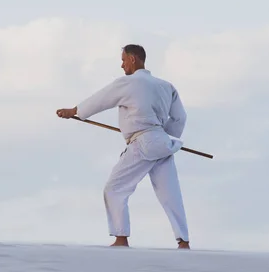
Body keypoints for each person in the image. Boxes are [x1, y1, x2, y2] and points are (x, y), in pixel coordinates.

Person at [56, 44, 190, 249]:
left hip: (143, 142)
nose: (121, 65)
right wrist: (164, 136)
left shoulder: (129, 83)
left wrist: (74, 111)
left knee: (115, 188)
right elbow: (180, 117)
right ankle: (183, 242)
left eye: (123, 60)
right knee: (171, 195)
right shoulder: (166, 86)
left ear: (133, 59)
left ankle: (121, 238)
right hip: (163, 143)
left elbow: (100, 99)